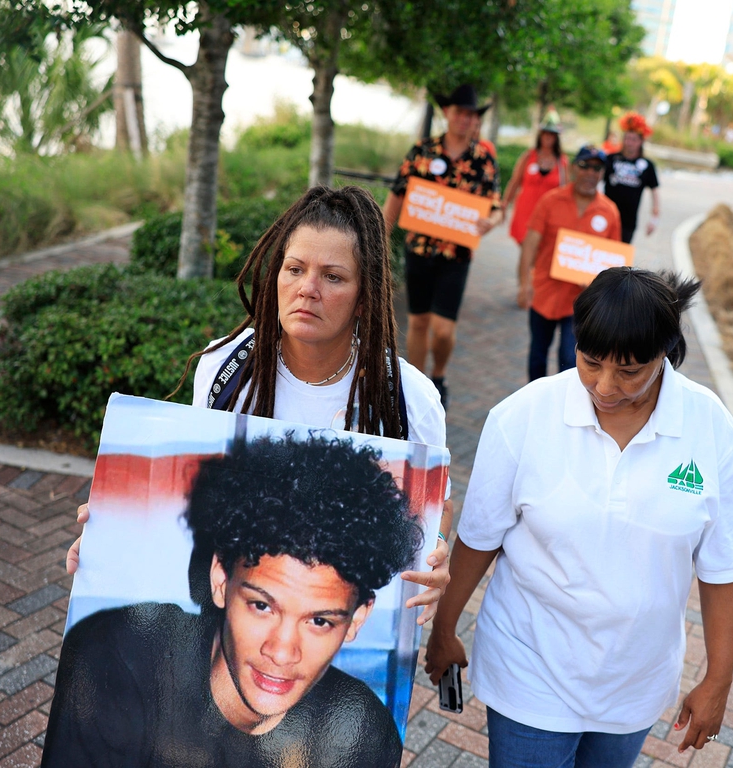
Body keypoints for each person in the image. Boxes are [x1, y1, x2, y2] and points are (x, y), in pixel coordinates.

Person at [67, 185, 451, 625]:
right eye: (294, 268)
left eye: (333, 276)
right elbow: (191, 494)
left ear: (364, 297)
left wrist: (437, 546)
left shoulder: (408, 398)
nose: (307, 289)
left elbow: (436, 501)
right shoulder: (224, 371)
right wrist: (113, 530)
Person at [426, 268, 733, 768]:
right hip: (529, 667)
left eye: (630, 372)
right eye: (590, 361)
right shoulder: (523, 416)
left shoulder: (711, 431)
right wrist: (444, 628)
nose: (604, 386)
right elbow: (479, 537)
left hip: (634, 680)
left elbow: (724, 566)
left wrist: (718, 680)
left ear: (664, 354)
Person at [44, 435, 417, 767]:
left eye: (320, 621)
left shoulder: (365, 734)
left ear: (356, 620)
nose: (283, 652)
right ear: (220, 578)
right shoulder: (118, 659)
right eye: (262, 605)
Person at [382, 83, 503, 409]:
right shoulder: (422, 151)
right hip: (419, 250)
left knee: (444, 329)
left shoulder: (483, 161)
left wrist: (490, 222)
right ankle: (417, 385)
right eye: (460, 112)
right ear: (448, 113)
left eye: (471, 115)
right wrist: (378, 239)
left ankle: (438, 374)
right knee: (419, 322)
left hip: (457, 255)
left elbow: (496, 207)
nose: (465, 119)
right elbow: (396, 196)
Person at [516, 145, 620, 381]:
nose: (590, 172)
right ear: (574, 167)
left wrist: (601, 292)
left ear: (602, 173)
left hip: (580, 301)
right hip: (543, 291)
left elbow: (613, 263)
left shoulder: (610, 212)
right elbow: (530, 244)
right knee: (537, 356)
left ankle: (564, 413)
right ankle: (536, 402)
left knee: (570, 360)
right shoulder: (550, 201)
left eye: (596, 168)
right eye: (584, 165)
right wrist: (524, 283)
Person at [502, 114, 567, 247]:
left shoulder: (562, 162)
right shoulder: (528, 156)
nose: (548, 136)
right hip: (525, 211)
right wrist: (504, 205)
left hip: (548, 215)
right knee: (526, 247)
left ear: (556, 137)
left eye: (552, 134)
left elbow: (565, 190)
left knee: (541, 249)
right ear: (540, 135)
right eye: (545, 133)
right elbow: (515, 182)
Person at [603, 112, 661, 244]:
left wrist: (654, 219)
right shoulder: (610, 159)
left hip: (628, 221)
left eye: (634, 139)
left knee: (619, 260)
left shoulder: (647, 165)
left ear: (641, 142)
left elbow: (655, 191)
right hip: (605, 216)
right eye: (627, 138)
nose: (630, 143)